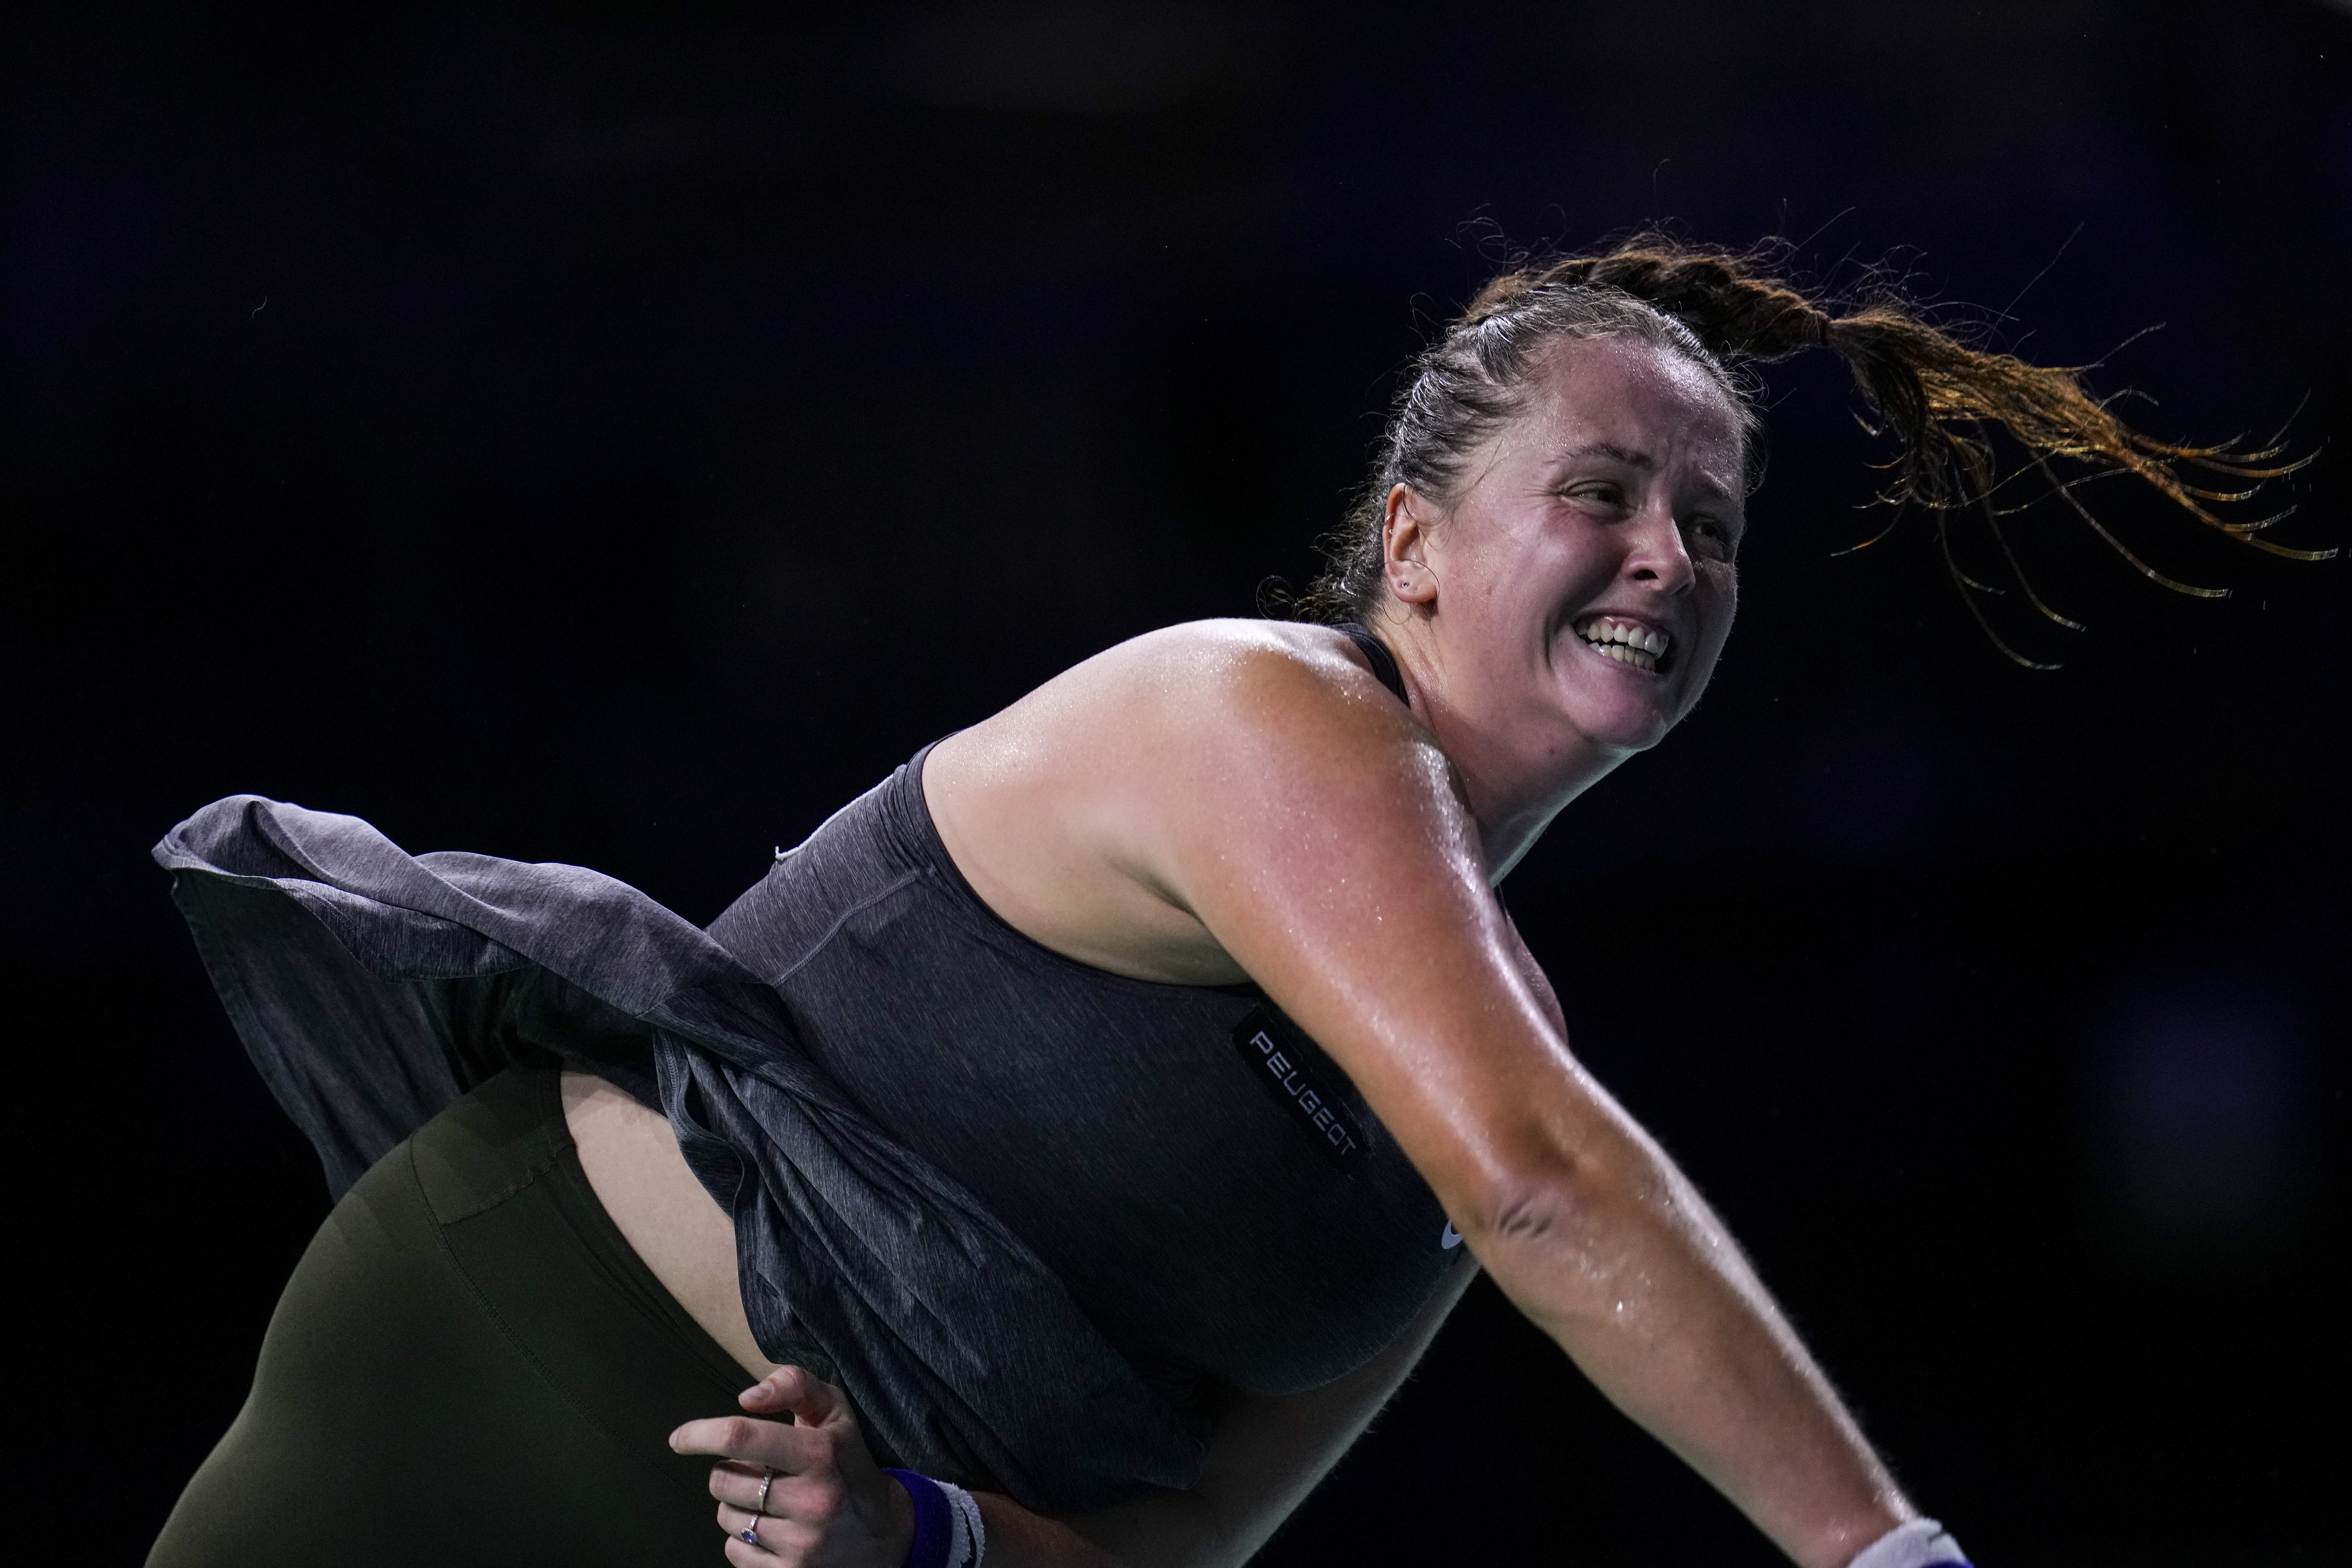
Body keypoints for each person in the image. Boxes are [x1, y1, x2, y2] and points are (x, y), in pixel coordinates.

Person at [146, 238, 2285, 1568]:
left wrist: (912, 1534)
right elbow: (1546, 1186)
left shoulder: (1492, 1056)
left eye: (1710, 524)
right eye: (1602, 493)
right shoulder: (1262, 710)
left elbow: (1180, 1546)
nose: (1667, 554)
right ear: (1412, 541)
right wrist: (1877, 1548)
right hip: (509, 1359)